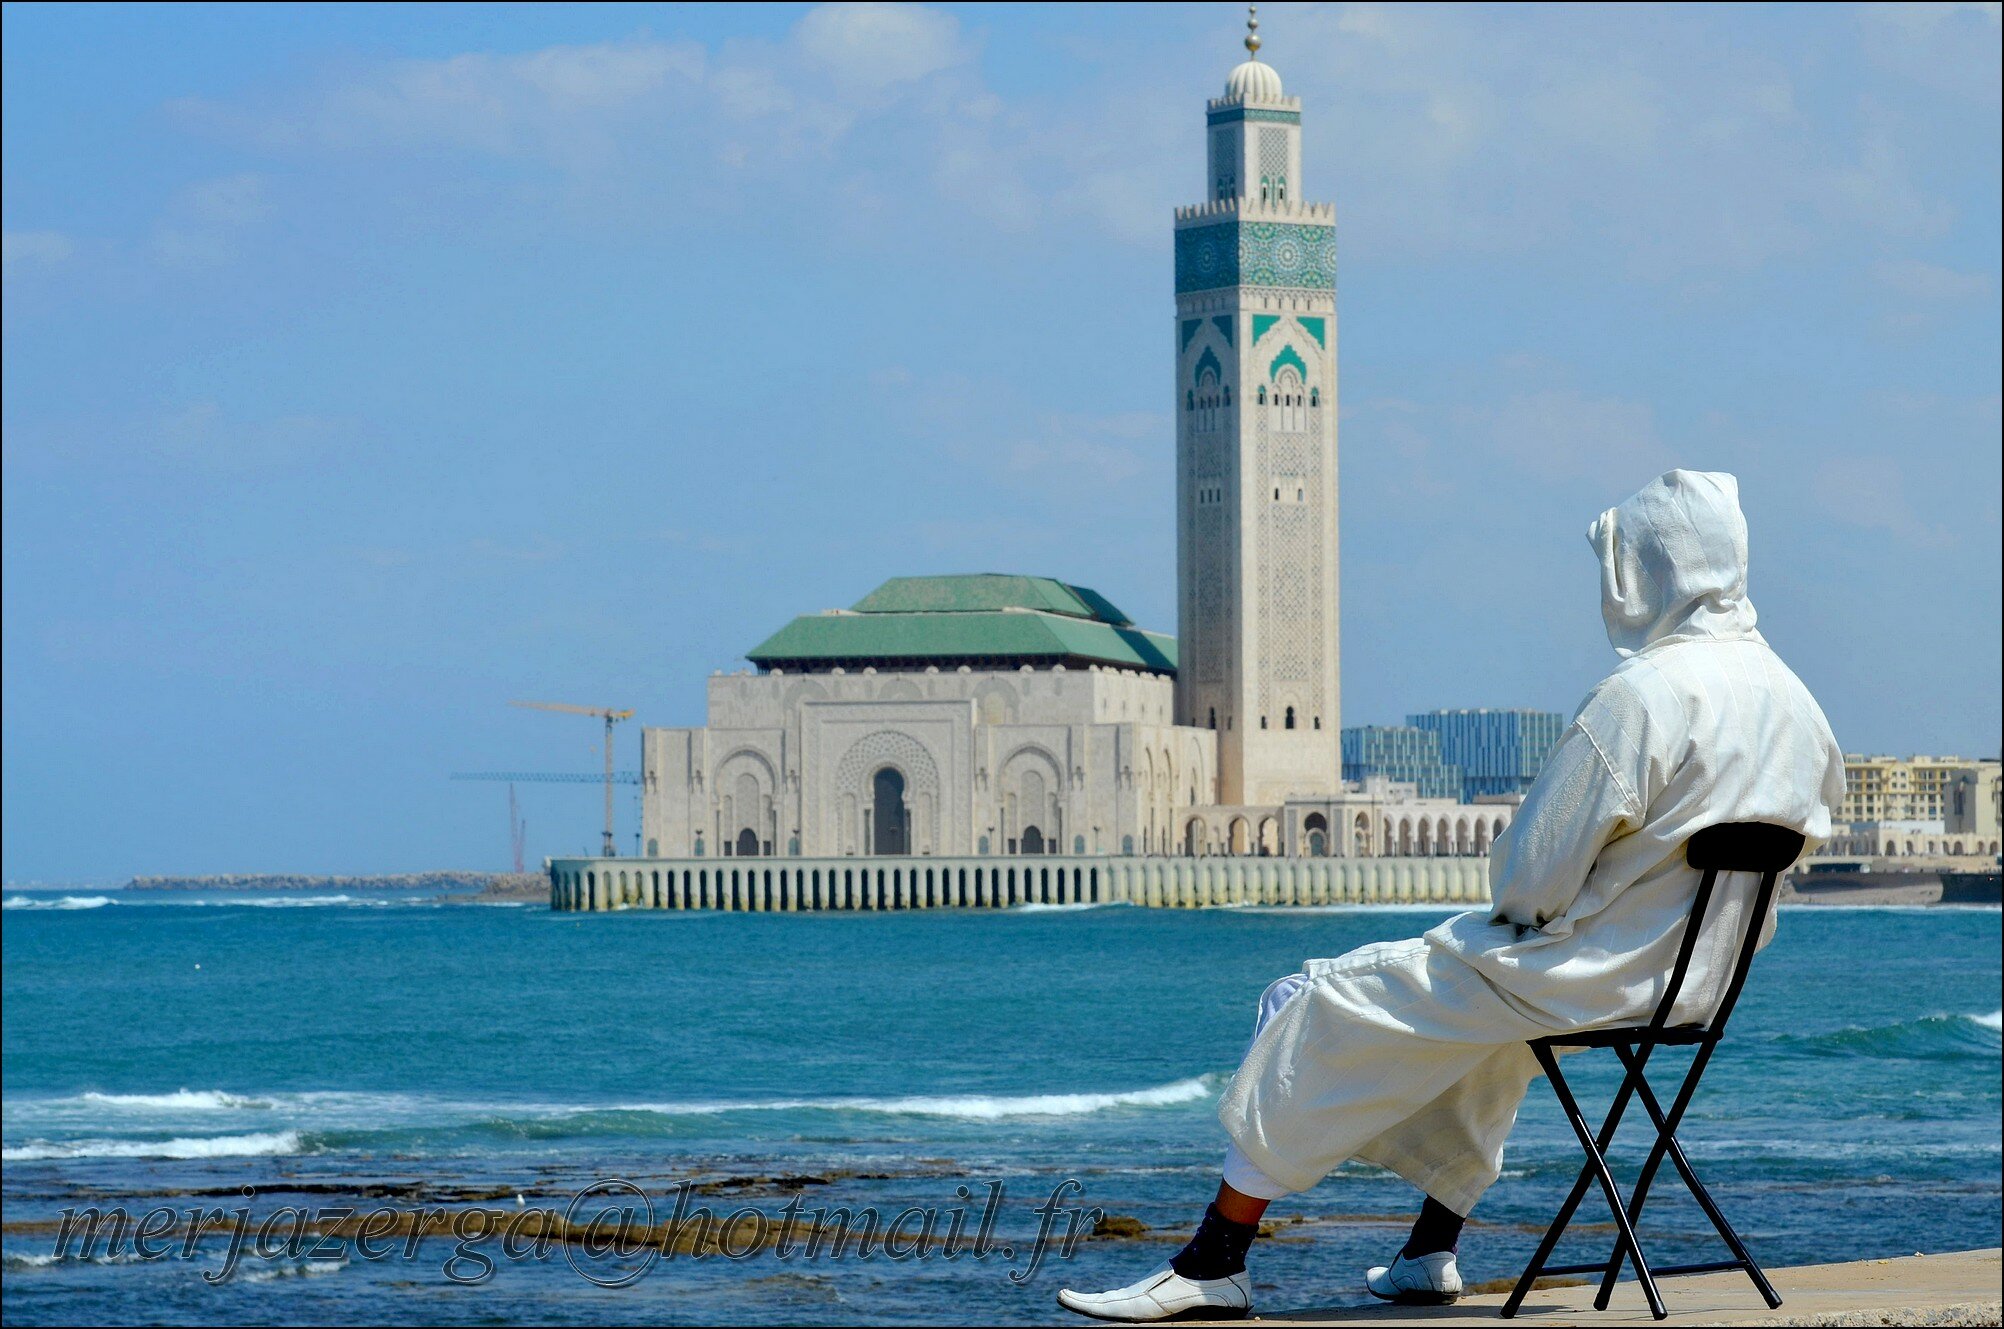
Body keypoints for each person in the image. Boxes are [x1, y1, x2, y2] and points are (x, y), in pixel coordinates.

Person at [1057, 470, 1845, 1322]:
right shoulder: (1800, 707)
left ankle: (1215, 1259)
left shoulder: (1646, 695)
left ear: (1651, 570)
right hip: (1694, 989)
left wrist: (1530, 912)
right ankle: (1429, 1249)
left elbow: (1526, 877)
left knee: (1305, 997)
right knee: (1484, 1036)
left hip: (1587, 975)